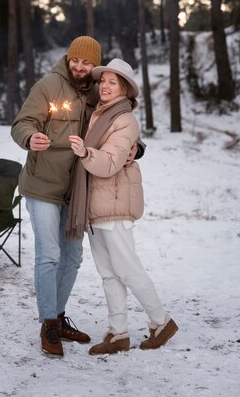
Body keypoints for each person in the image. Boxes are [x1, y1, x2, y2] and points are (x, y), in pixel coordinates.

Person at [68, 58, 178, 355]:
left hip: (113, 203)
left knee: (128, 270)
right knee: (108, 273)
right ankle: (119, 333)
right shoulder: (100, 114)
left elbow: (111, 162)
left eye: (112, 82)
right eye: (102, 80)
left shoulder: (124, 119)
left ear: (125, 89)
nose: (104, 85)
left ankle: (161, 321)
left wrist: (84, 152)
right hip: (96, 205)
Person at [11, 35, 102, 357]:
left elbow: (120, 123)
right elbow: (22, 122)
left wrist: (137, 147)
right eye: (76, 60)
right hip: (42, 184)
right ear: (68, 58)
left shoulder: (97, 92)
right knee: (49, 253)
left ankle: (58, 316)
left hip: (76, 188)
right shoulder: (48, 84)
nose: (80, 67)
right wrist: (29, 137)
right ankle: (48, 322)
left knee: (73, 256)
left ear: (95, 65)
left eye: (87, 63)